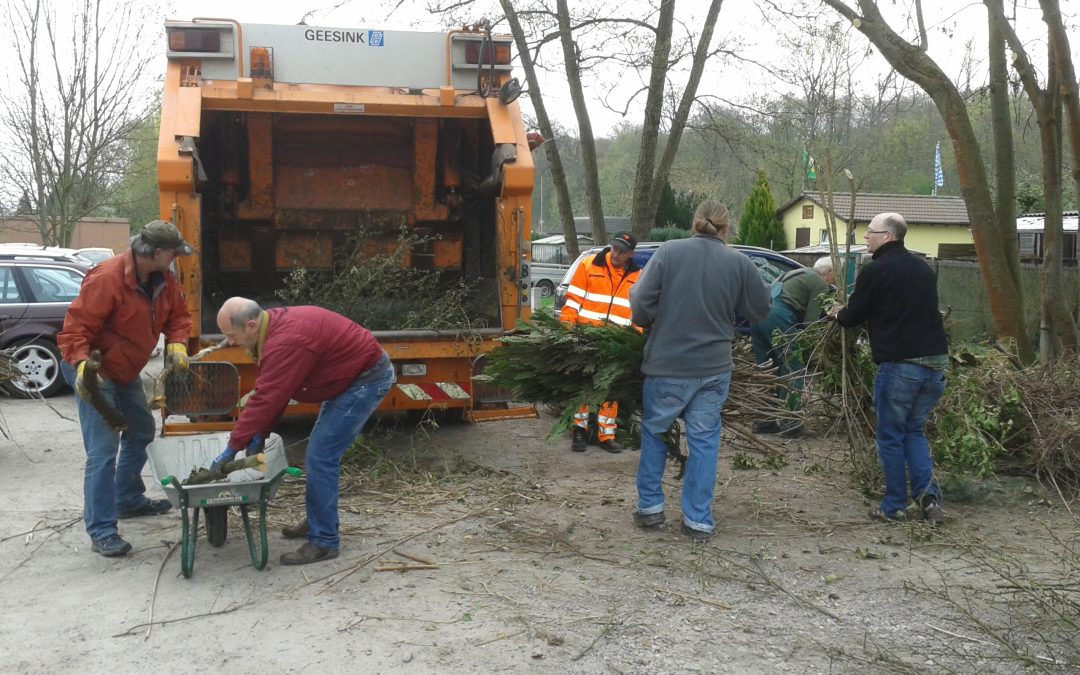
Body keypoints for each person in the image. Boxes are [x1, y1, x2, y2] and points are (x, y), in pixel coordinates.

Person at [213, 297, 395, 565]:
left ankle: (324, 542)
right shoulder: (270, 328)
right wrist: (261, 432)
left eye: (231, 335)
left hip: (364, 380)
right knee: (319, 455)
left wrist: (232, 447)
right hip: (346, 376)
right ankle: (318, 521)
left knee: (321, 457)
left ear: (251, 325)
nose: (230, 342)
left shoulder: (286, 342)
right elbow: (279, 391)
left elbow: (267, 396)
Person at [629, 200, 771, 542]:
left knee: (655, 432)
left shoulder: (668, 252)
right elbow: (761, 308)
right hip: (713, 368)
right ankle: (698, 521)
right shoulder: (738, 262)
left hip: (667, 365)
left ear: (693, 224)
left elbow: (639, 301)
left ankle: (650, 508)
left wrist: (648, 320)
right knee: (705, 442)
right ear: (726, 229)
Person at [58, 220, 195, 558]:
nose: (177, 257)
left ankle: (127, 499)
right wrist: (79, 366)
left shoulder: (164, 279)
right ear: (158, 252)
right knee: (103, 452)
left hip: (125, 371)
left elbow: (178, 316)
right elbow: (76, 329)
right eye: (175, 252)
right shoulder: (108, 278)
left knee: (141, 431)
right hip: (95, 371)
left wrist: (177, 344)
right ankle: (102, 529)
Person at [828, 212, 948, 526]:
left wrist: (837, 313)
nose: (866, 237)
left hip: (901, 366)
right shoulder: (923, 269)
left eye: (871, 232)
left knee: (891, 437)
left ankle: (894, 506)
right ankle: (929, 499)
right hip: (935, 364)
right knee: (914, 432)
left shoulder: (876, 269)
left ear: (889, 236)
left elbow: (853, 316)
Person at [559, 230, 642, 453]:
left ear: (630, 254)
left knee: (609, 389)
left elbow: (638, 313)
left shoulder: (638, 276)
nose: (615, 253)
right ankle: (579, 430)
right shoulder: (588, 265)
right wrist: (566, 328)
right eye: (614, 247)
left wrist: (637, 337)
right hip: (586, 336)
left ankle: (606, 435)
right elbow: (573, 301)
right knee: (584, 385)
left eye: (621, 251)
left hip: (617, 342)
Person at [750, 256, 836, 437]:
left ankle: (765, 421)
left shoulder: (797, 273)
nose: (834, 281)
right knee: (794, 368)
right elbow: (811, 324)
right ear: (828, 272)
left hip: (757, 316)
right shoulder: (820, 283)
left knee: (767, 370)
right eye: (835, 275)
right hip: (777, 316)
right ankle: (791, 424)